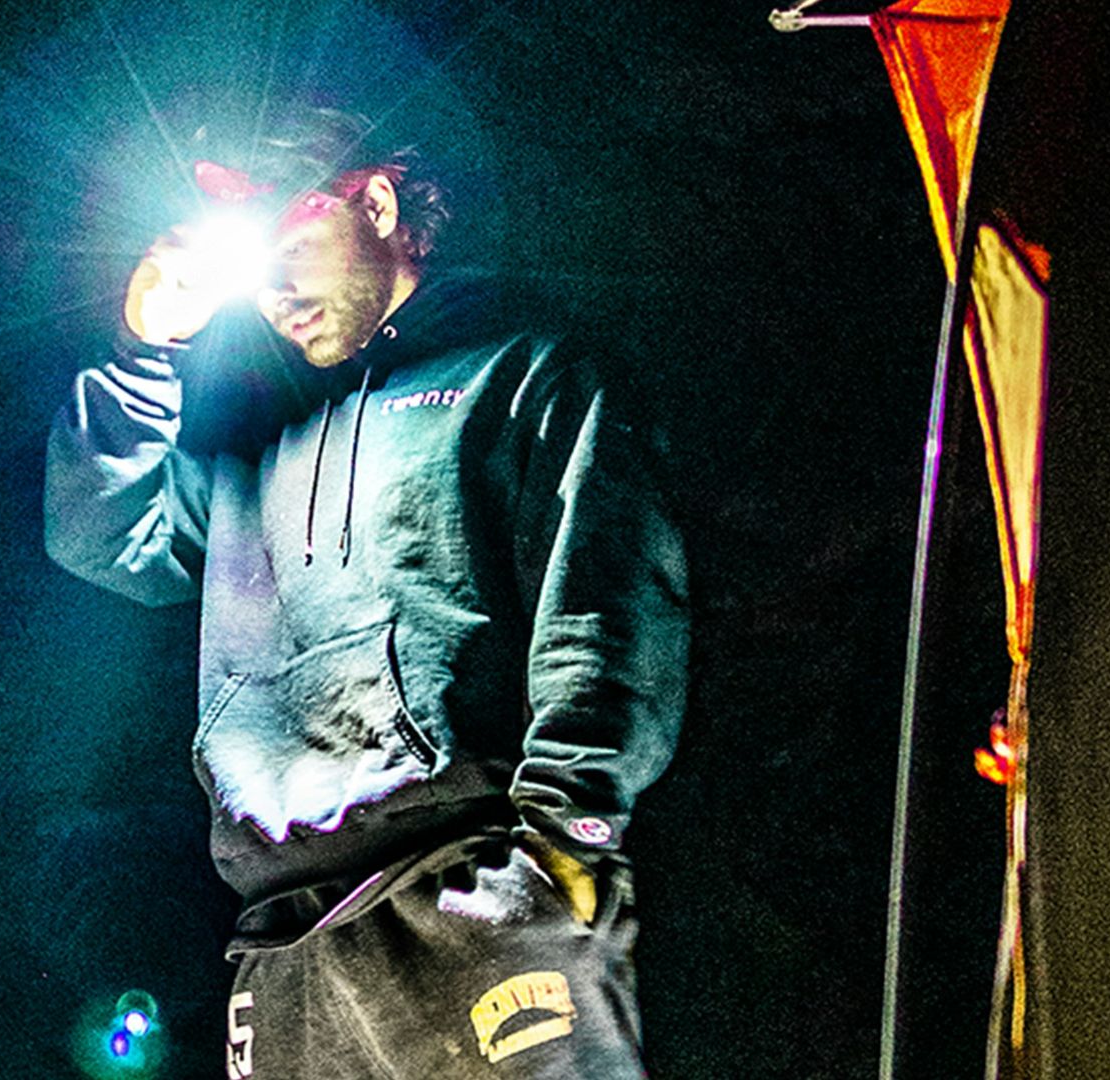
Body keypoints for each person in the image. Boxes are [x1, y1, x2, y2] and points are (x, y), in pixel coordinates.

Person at [44, 108, 688, 1079]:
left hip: (474, 893)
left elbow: (604, 609)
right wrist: (144, 350)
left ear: (374, 202)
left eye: (283, 247)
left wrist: (564, 844)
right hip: (283, 948)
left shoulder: (519, 375)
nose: (271, 293)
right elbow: (99, 532)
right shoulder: (248, 467)